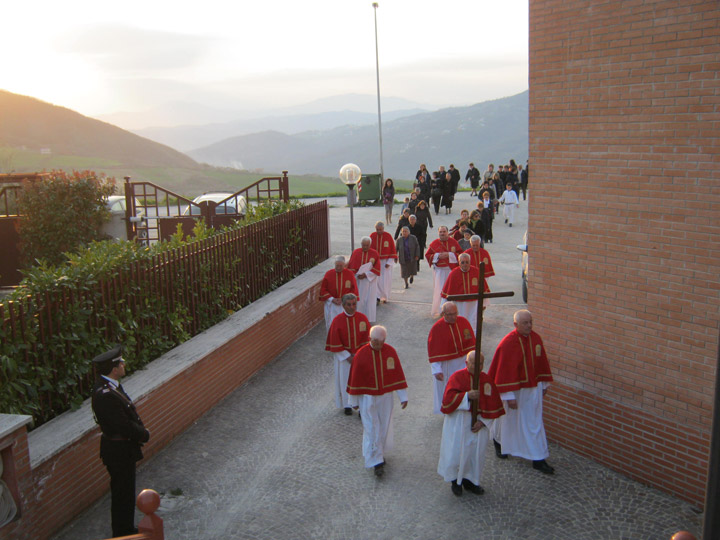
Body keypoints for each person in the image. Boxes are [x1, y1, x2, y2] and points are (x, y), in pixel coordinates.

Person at [91, 346, 150, 537]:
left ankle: (125, 527)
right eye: (121, 362)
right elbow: (122, 425)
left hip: (122, 448)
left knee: (125, 491)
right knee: (122, 493)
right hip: (118, 451)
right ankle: (122, 532)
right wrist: (143, 434)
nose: (124, 365)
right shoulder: (105, 395)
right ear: (114, 368)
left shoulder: (111, 386)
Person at [488, 310, 555, 474]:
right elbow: (503, 371)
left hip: (533, 390)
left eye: (530, 322)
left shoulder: (536, 339)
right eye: (525, 323)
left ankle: (538, 458)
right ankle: (499, 441)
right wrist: (509, 396)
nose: (529, 325)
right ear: (515, 324)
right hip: (515, 392)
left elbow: (541, 362)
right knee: (508, 421)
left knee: (534, 423)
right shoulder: (508, 343)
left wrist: (544, 384)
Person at [438, 350, 505, 496]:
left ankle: (471, 481)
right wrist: (466, 396)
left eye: (480, 363)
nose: (477, 366)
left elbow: (493, 406)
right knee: (457, 453)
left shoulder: (487, 380)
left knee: (475, 455)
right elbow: (448, 400)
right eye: (474, 363)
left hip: (478, 426)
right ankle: (456, 482)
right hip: (460, 422)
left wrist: (483, 422)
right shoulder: (457, 377)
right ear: (467, 363)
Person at [347, 325, 408, 477]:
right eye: (375, 342)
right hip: (367, 398)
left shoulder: (390, 352)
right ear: (369, 339)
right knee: (371, 427)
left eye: (381, 342)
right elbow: (355, 379)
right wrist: (353, 400)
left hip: (386, 396)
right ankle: (376, 461)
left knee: (384, 425)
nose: (378, 345)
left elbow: (397, 374)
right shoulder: (361, 355)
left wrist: (403, 396)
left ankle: (379, 453)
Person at [426, 302, 475, 414]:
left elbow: (472, 342)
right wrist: (436, 369)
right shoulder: (437, 328)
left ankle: (464, 406)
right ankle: (447, 408)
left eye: (455, 313)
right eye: (450, 314)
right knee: (448, 388)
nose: (453, 317)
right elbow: (434, 351)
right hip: (447, 365)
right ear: (443, 314)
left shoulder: (463, 322)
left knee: (464, 385)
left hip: (463, 363)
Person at [325, 293, 370, 416]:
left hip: (359, 358)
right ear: (343, 306)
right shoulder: (337, 321)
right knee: (344, 380)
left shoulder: (363, 319)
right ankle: (347, 405)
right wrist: (347, 356)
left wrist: (359, 355)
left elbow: (367, 339)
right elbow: (335, 341)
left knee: (360, 382)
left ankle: (361, 407)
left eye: (354, 304)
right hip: (344, 358)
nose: (352, 307)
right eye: (349, 304)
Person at [440, 253, 485, 330]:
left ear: (470, 262)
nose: (465, 264)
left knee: (473, 322)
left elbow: (483, 290)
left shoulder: (476, 272)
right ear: (459, 262)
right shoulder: (453, 273)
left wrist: (484, 303)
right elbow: (446, 293)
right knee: (459, 323)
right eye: (462, 262)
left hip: (473, 305)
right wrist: (442, 307)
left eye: (467, 262)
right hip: (459, 304)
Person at [425, 226, 461, 318]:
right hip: (440, 272)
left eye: (444, 231)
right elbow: (428, 255)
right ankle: (440, 310)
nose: (442, 233)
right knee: (440, 290)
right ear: (438, 233)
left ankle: (452, 310)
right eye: (440, 232)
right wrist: (437, 256)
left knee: (451, 290)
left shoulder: (454, 242)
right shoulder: (434, 243)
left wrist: (449, 254)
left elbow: (460, 254)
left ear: (447, 232)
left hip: (450, 271)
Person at [319, 256, 359, 332]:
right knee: (331, 325)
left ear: (344, 265)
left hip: (345, 304)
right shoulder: (328, 274)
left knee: (345, 325)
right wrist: (332, 299)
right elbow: (323, 290)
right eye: (337, 265)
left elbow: (354, 289)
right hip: (331, 304)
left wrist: (343, 299)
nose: (338, 268)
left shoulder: (349, 274)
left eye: (340, 266)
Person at [347, 237, 381, 323]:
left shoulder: (374, 253)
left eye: (367, 245)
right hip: (358, 281)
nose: (365, 247)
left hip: (370, 282)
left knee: (370, 301)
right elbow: (351, 267)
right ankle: (357, 317)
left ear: (370, 244)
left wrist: (366, 274)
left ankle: (369, 319)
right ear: (361, 244)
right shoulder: (356, 252)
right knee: (359, 300)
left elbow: (377, 269)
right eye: (363, 245)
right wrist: (357, 275)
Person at [370, 221, 397, 304]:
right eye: (377, 229)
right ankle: (377, 297)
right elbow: (370, 250)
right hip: (376, 262)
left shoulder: (388, 236)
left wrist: (389, 262)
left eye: (380, 229)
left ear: (383, 228)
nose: (379, 231)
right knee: (376, 281)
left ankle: (385, 296)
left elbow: (392, 249)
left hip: (385, 263)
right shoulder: (372, 236)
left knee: (385, 281)